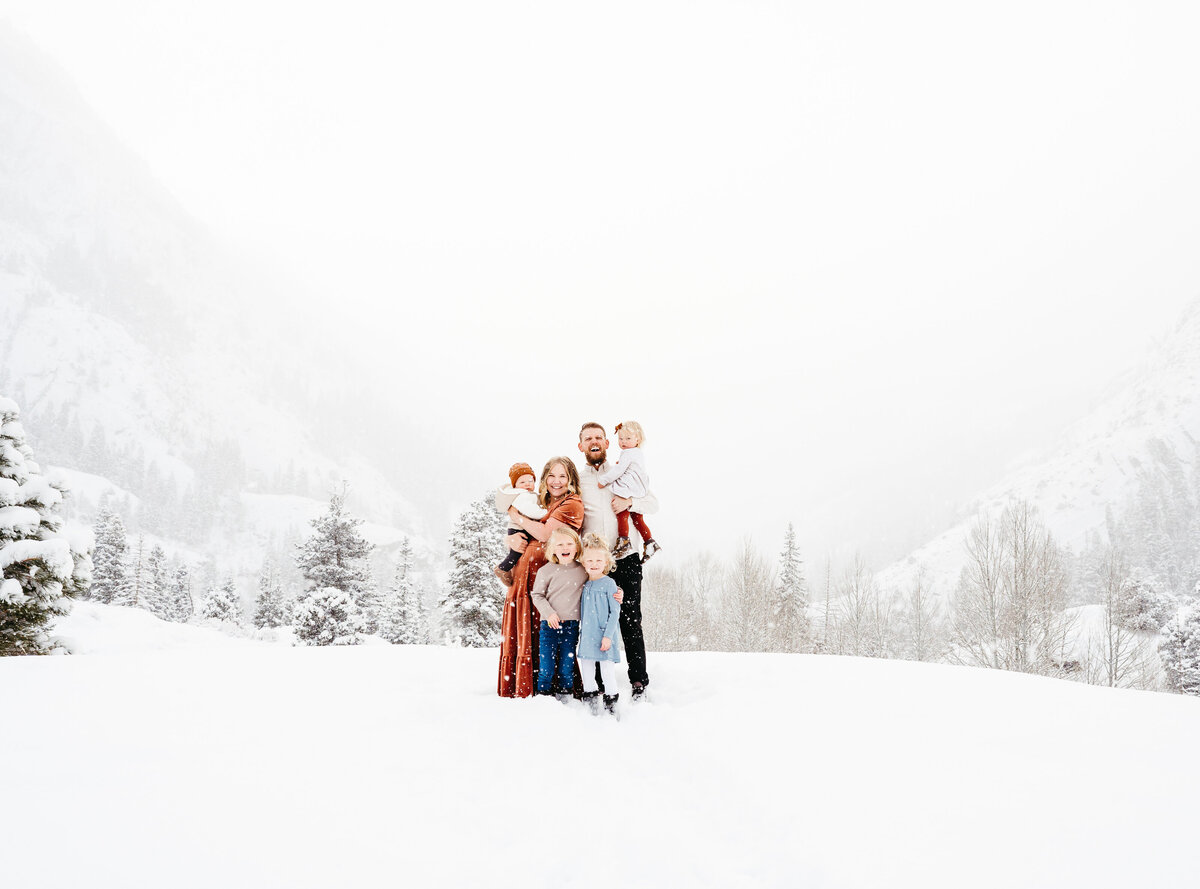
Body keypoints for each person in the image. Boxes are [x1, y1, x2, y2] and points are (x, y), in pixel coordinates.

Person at [576, 421, 657, 699]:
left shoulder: (624, 470)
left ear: (607, 443)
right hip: (594, 565)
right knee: (595, 622)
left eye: (599, 437)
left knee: (630, 619)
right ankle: (596, 682)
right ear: (581, 446)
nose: (594, 441)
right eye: (588, 438)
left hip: (626, 557)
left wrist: (630, 503)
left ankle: (638, 681)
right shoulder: (578, 479)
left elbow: (653, 503)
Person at [497, 457, 585, 698]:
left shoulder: (572, 504)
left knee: (547, 633)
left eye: (563, 476)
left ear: (571, 480)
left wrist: (516, 516)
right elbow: (524, 533)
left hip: (549, 580)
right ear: (544, 479)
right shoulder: (543, 502)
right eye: (552, 476)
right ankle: (525, 686)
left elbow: (546, 534)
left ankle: (550, 687)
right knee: (529, 631)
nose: (556, 481)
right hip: (526, 577)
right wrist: (510, 539)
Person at [529, 527, 587, 699]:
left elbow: (600, 581)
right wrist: (549, 613)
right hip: (549, 625)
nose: (565, 548)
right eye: (560, 544)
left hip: (571, 626)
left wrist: (618, 590)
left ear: (577, 547)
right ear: (552, 549)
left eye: (569, 544)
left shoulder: (583, 570)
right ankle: (544, 698)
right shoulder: (545, 571)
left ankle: (566, 699)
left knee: (566, 667)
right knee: (546, 667)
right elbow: (537, 595)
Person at [597, 420, 659, 561]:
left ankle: (624, 541)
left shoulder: (628, 453)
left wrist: (603, 480)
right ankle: (649, 542)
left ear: (638, 439)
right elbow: (629, 467)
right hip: (638, 488)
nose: (623, 442)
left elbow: (618, 471)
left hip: (628, 488)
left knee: (621, 513)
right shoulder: (637, 453)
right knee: (637, 519)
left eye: (628, 438)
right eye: (620, 438)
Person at [576, 533, 621, 715]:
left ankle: (612, 706)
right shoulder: (585, 585)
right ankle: (591, 703)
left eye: (598, 560)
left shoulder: (610, 584)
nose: (594, 564)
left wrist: (608, 636)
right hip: (587, 636)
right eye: (590, 561)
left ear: (606, 562)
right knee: (586, 670)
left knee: (607, 672)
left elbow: (615, 612)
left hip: (605, 636)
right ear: (584, 563)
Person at [493, 462, 546, 587]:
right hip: (519, 529)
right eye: (522, 482)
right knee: (516, 552)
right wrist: (545, 512)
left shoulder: (528, 495)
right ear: (515, 485)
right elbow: (531, 511)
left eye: (530, 480)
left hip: (519, 527)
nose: (527, 484)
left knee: (517, 553)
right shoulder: (522, 496)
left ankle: (507, 569)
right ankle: (503, 568)